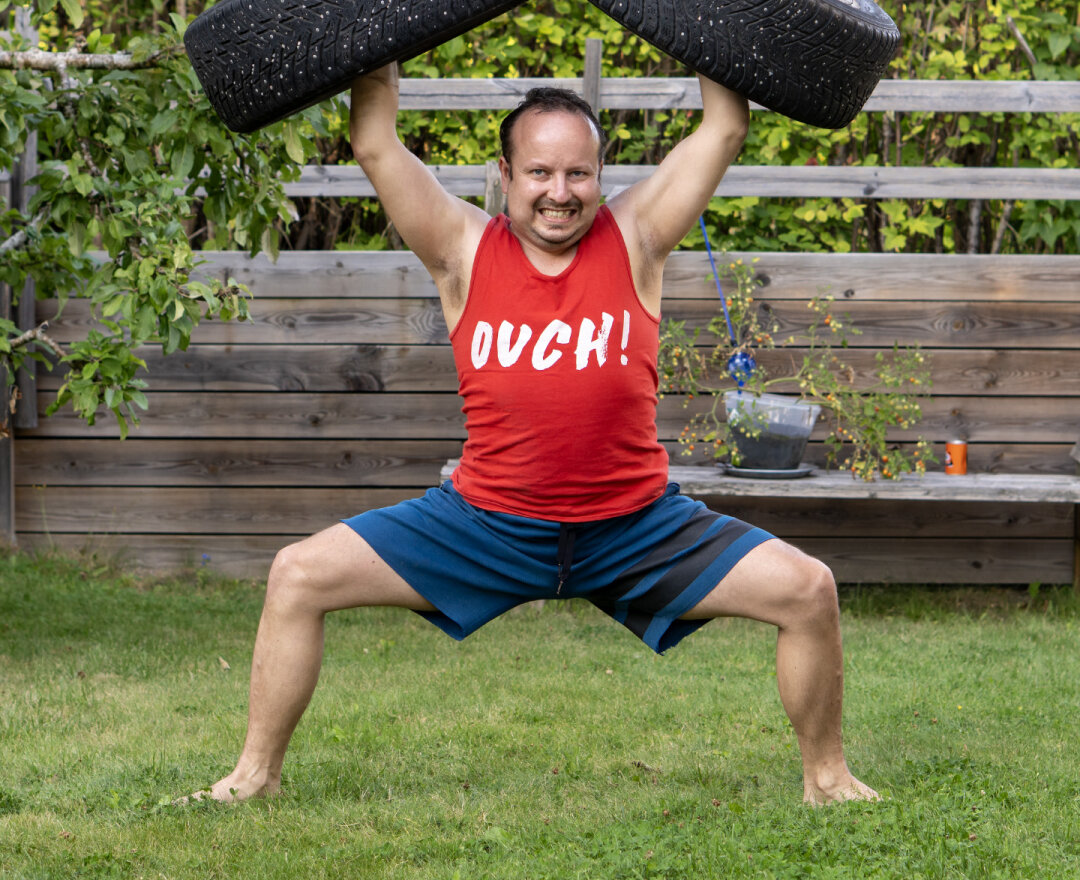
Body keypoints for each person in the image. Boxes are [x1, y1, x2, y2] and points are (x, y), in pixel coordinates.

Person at [194, 62, 877, 806]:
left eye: (578, 173)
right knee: (298, 575)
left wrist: (712, 17)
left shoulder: (637, 236)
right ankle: (253, 777)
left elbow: (725, 126)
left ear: (600, 175)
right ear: (506, 175)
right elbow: (375, 144)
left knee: (807, 590)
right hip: (486, 525)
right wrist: (375, 47)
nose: (560, 191)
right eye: (540, 172)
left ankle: (828, 778)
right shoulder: (461, 248)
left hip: (635, 527)